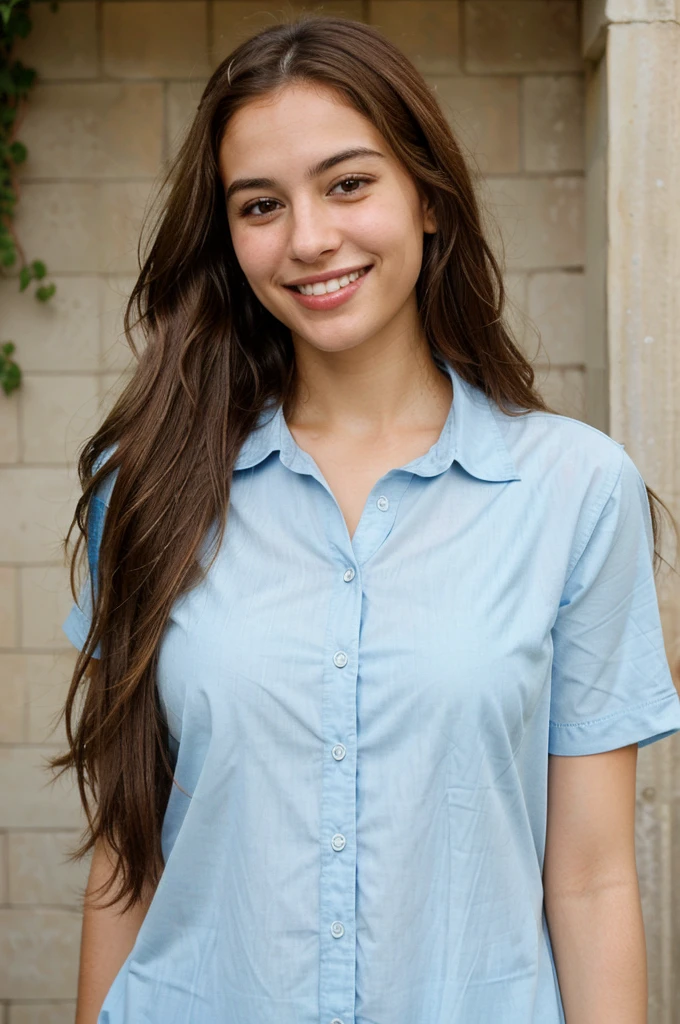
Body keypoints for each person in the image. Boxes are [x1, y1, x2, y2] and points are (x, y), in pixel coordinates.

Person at [52, 15, 680, 1024]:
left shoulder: (573, 490)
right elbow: (129, 857)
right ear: (229, 235)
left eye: (348, 183)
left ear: (426, 198)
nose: (307, 238)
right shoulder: (150, 484)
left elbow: (594, 880)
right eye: (261, 204)